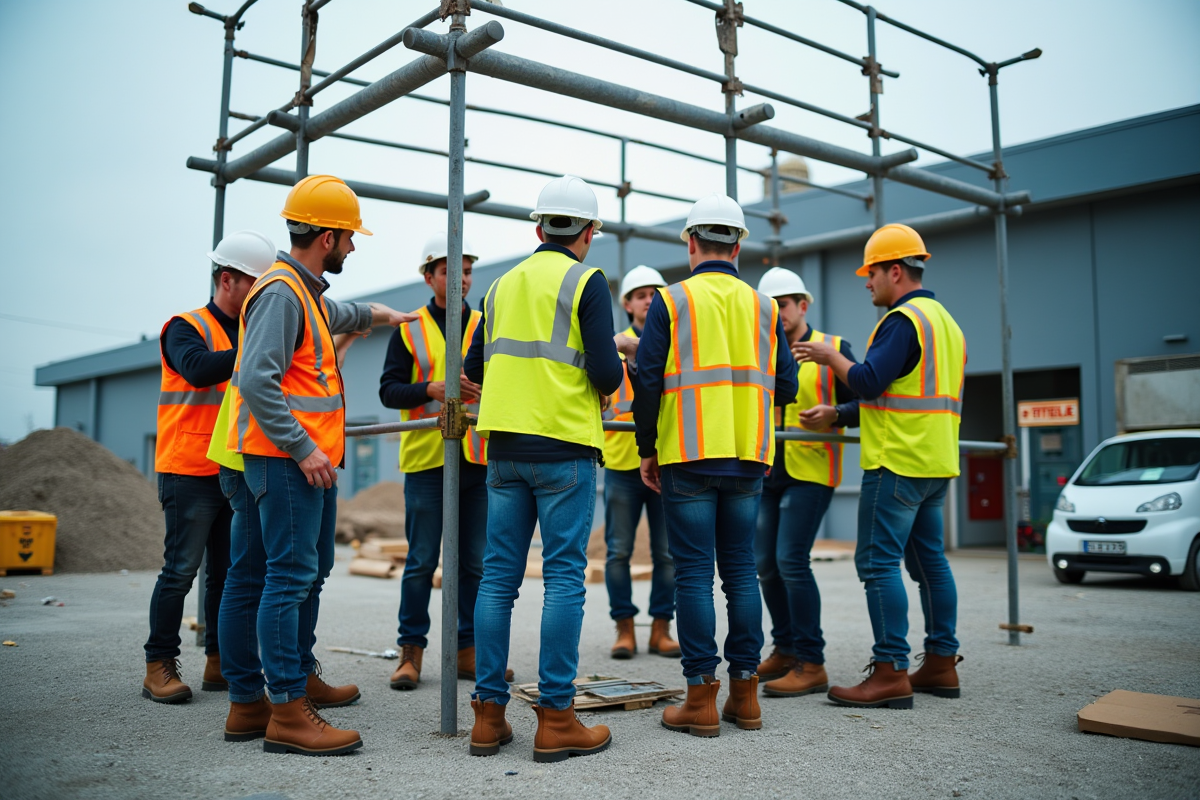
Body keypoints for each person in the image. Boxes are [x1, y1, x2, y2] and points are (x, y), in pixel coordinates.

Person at [228, 175, 416, 755]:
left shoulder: (303, 292)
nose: (353, 249)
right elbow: (256, 378)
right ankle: (286, 711)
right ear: (327, 237)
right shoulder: (283, 293)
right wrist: (304, 448)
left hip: (300, 463)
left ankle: (281, 687)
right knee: (285, 578)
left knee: (300, 571)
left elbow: (336, 311)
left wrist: (379, 316)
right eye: (350, 238)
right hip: (287, 462)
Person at [464, 175, 635, 762]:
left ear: (539, 228)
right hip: (563, 447)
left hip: (505, 450)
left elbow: (474, 366)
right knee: (563, 577)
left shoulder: (500, 285)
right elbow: (609, 377)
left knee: (498, 580)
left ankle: (488, 717)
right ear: (589, 233)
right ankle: (557, 719)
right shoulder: (586, 280)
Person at [632, 195, 798, 737]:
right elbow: (789, 386)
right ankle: (745, 696)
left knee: (695, 576)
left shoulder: (672, 300)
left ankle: (701, 698)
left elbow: (649, 380)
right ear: (740, 244)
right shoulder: (765, 308)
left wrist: (646, 449)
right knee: (741, 573)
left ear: (690, 241)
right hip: (748, 455)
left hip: (687, 453)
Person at [795, 223, 966, 710]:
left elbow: (868, 381)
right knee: (929, 562)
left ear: (895, 270)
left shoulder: (903, 320)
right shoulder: (944, 323)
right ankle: (940, 662)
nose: (866, 282)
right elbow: (901, 392)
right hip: (934, 462)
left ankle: (890, 671)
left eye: (870, 273)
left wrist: (830, 357)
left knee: (876, 563)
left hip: (897, 462)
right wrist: (839, 413)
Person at [142, 231, 273, 705]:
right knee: (180, 570)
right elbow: (197, 370)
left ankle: (219, 660)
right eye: (254, 284)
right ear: (227, 279)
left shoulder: (250, 329)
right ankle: (159, 663)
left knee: (226, 572)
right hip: (187, 467)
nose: (261, 294)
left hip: (232, 467)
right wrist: (260, 349)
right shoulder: (184, 326)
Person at [380, 231, 512, 690]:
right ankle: (410, 652)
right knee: (420, 561)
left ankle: (467, 651)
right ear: (429, 276)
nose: (460, 279)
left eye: (467, 271)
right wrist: (431, 390)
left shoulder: (486, 325)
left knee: (474, 562)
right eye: (449, 271)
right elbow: (388, 390)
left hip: (475, 459)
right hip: (427, 460)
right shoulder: (409, 327)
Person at [753, 267, 859, 698]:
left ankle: (811, 662)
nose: (778, 313)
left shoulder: (833, 348)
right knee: (766, 565)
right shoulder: (758, 347)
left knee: (791, 560)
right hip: (766, 469)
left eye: (784, 304)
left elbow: (868, 395)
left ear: (803, 305)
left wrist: (837, 413)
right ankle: (786, 649)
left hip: (811, 470)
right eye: (771, 305)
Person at [603, 265, 680, 661]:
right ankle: (625, 628)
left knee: (667, 553)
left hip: (666, 459)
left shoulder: (674, 344)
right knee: (618, 551)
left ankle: (661, 629)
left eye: (655, 293)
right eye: (641, 294)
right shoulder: (610, 345)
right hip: (621, 463)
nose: (649, 299)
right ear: (628, 304)